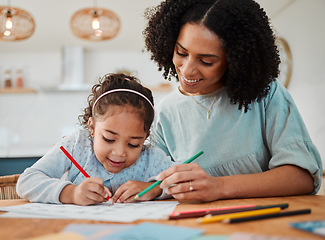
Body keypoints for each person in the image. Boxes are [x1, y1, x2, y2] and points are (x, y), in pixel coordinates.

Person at [143, 0, 323, 202]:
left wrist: (220, 187)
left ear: (235, 59)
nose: (186, 70)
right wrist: (151, 188)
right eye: (181, 53)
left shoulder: (265, 94)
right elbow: (158, 180)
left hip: (262, 221)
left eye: (206, 61)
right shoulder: (164, 111)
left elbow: (303, 177)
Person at [16, 73, 173, 205]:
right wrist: (72, 193)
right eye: (109, 139)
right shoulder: (77, 144)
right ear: (92, 127)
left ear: (145, 137)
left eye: (133, 144)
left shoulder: (151, 157)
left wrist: (154, 188)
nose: (119, 153)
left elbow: (184, 181)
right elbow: (27, 182)